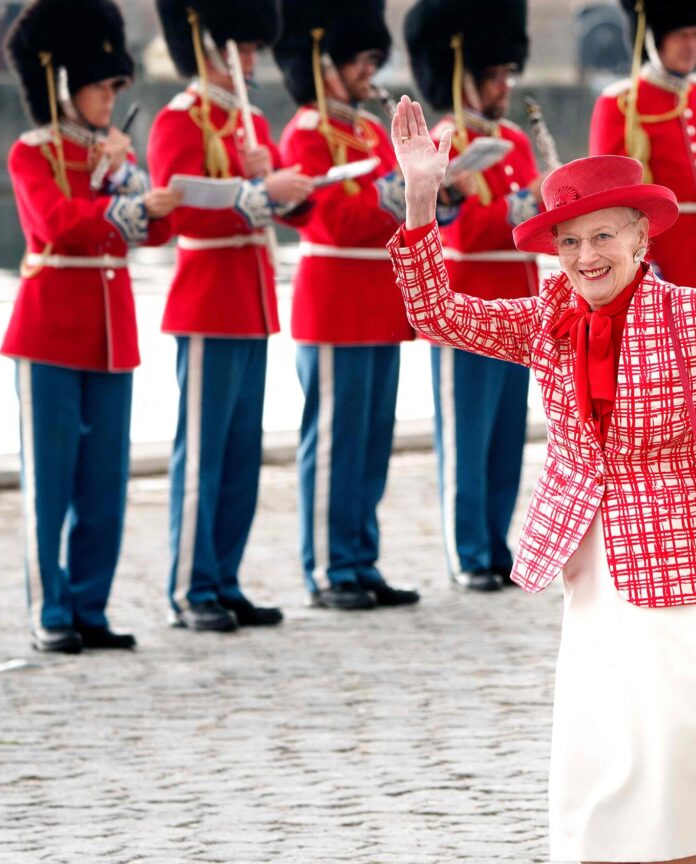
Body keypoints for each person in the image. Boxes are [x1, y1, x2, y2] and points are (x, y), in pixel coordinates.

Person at [386, 97, 696, 863]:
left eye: (602, 236)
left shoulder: (693, 318)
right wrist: (419, 198)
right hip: (596, 575)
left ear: (641, 234)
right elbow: (434, 313)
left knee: (674, 787)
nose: (585, 257)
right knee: (610, 780)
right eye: (569, 242)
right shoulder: (546, 316)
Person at [1, 0, 177, 654]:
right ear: (67, 85)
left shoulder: (111, 157)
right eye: (101, 87)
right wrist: (118, 196)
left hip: (110, 336)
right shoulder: (32, 153)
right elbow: (58, 225)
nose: (110, 97)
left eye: (113, 87)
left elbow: (159, 227)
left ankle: (89, 605)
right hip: (49, 333)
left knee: (104, 485)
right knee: (50, 485)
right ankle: (50, 610)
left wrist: (130, 177)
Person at [149, 0, 314, 632]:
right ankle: (191, 587)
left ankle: (225, 578)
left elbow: (280, 207)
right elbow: (174, 209)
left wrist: (277, 187)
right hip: (207, 297)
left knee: (242, 455)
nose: (249, 61)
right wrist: (254, 193)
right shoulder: (180, 118)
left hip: (251, 301)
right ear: (211, 48)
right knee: (204, 454)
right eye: (240, 49)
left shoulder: (247, 121)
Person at [275, 0, 421, 611]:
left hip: (379, 303)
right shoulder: (308, 130)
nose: (368, 71)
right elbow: (330, 218)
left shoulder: (364, 130)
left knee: (370, 443)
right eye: (358, 60)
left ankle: (360, 558)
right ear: (325, 63)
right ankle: (328, 569)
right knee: (334, 445)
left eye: (370, 59)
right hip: (335, 300)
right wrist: (390, 198)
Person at [405, 0, 538, 593]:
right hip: (466, 301)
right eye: (493, 75)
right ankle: (467, 552)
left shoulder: (513, 138)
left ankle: (495, 544)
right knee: (467, 436)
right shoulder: (441, 141)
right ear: (465, 77)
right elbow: (459, 228)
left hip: (519, 300)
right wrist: (520, 208)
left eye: (506, 74)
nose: (504, 85)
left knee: (508, 435)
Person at [590, 0, 696, 297]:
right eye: (682, 36)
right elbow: (607, 197)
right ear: (655, 36)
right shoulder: (620, 102)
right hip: (654, 265)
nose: (692, 46)